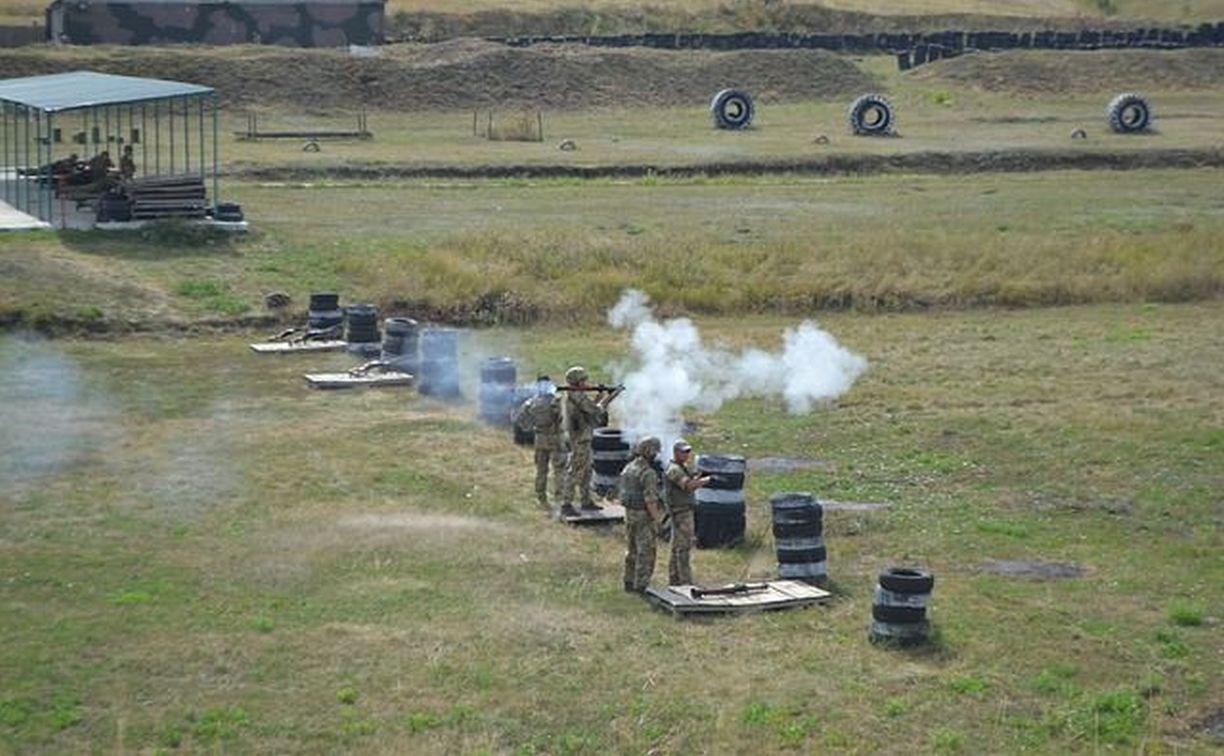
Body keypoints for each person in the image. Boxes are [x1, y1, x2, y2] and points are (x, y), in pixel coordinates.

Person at [559, 365, 620, 517]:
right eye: (584, 380)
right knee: (575, 472)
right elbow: (595, 410)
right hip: (580, 440)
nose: (587, 383)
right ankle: (566, 504)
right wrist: (610, 397)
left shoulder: (576, 396)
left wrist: (599, 395)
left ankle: (586, 501)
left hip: (584, 438)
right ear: (578, 382)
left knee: (586, 472)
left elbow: (589, 409)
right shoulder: (577, 397)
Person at [512, 375, 565, 511]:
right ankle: (560, 497)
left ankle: (541, 495)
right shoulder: (556, 401)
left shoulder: (532, 402)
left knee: (541, 470)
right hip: (555, 439)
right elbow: (563, 419)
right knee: (558, 469)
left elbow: (518, 419)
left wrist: (530, 427)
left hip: (540, 438)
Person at [663, 438, 712, 586]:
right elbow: (688, 485)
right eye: (684, 452)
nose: (687, 454)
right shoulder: (674, 469)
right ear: (676, 452)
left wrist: (699, 477)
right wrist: (705, 481)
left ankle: (675, 580)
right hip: (680, 512)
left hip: (683, 510)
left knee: (676, 547)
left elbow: (690, 479)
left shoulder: (681, 467)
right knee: (683, 548)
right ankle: (685, 582)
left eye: (688, 452)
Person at [619, 436, 664, 593]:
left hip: (629, 513)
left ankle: (628, 581)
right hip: (643, 516)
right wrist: (658, 520)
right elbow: (650, 501)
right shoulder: (648, 473)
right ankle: (641, 586)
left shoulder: (629, 468)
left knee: (631, 550)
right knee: (646, 552)